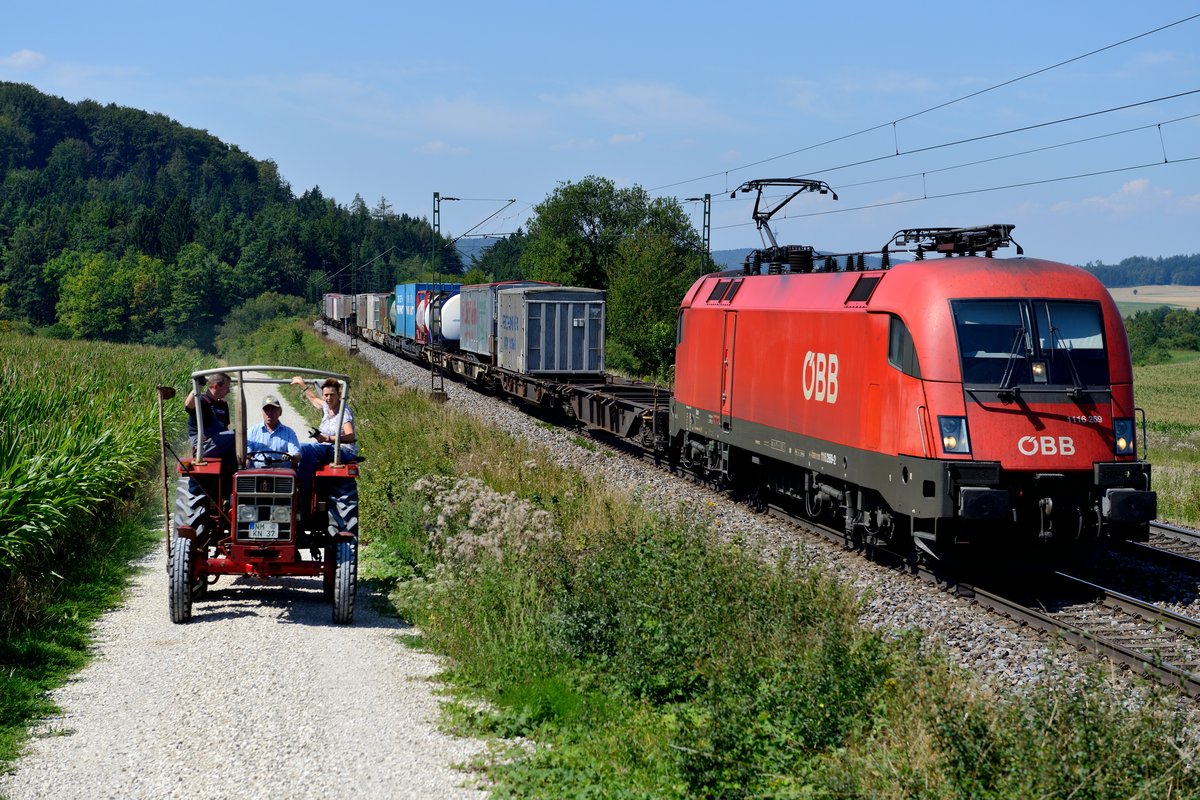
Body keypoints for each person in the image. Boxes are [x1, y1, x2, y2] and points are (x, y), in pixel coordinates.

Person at [291, 376, 357, 490]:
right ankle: (290, 478)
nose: (329, 398)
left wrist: (327, 439)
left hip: (343, 450)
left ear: (339, 394)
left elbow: (351, 436)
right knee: (297, 448)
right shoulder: (327, 407)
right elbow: (313, 399)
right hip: (327, 447)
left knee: (306, 449)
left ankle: (302, 486)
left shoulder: (343, 411)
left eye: (332, 394)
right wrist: (302, 384)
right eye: (326, 395)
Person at [185, 372, 234, 468]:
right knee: (236, 435)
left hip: (219, 444)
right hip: (203, 447)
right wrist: (198, 385)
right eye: (226, 388)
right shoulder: (201, 401)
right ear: (216, 386)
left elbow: (225, 428)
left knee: (242, 437)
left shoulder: (223, 404)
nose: (228, 391)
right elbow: (188, 405)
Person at [246, 395, 301, 467]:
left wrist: (291, 455)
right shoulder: (252, 431)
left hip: (281, 474)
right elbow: (247, 455)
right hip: (258, 473)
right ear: (262, 412)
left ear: (280, 412)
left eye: (273, 409)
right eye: (266, 410)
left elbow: (296, 454)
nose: (269, 413)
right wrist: (245, 468)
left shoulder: (289, 433)